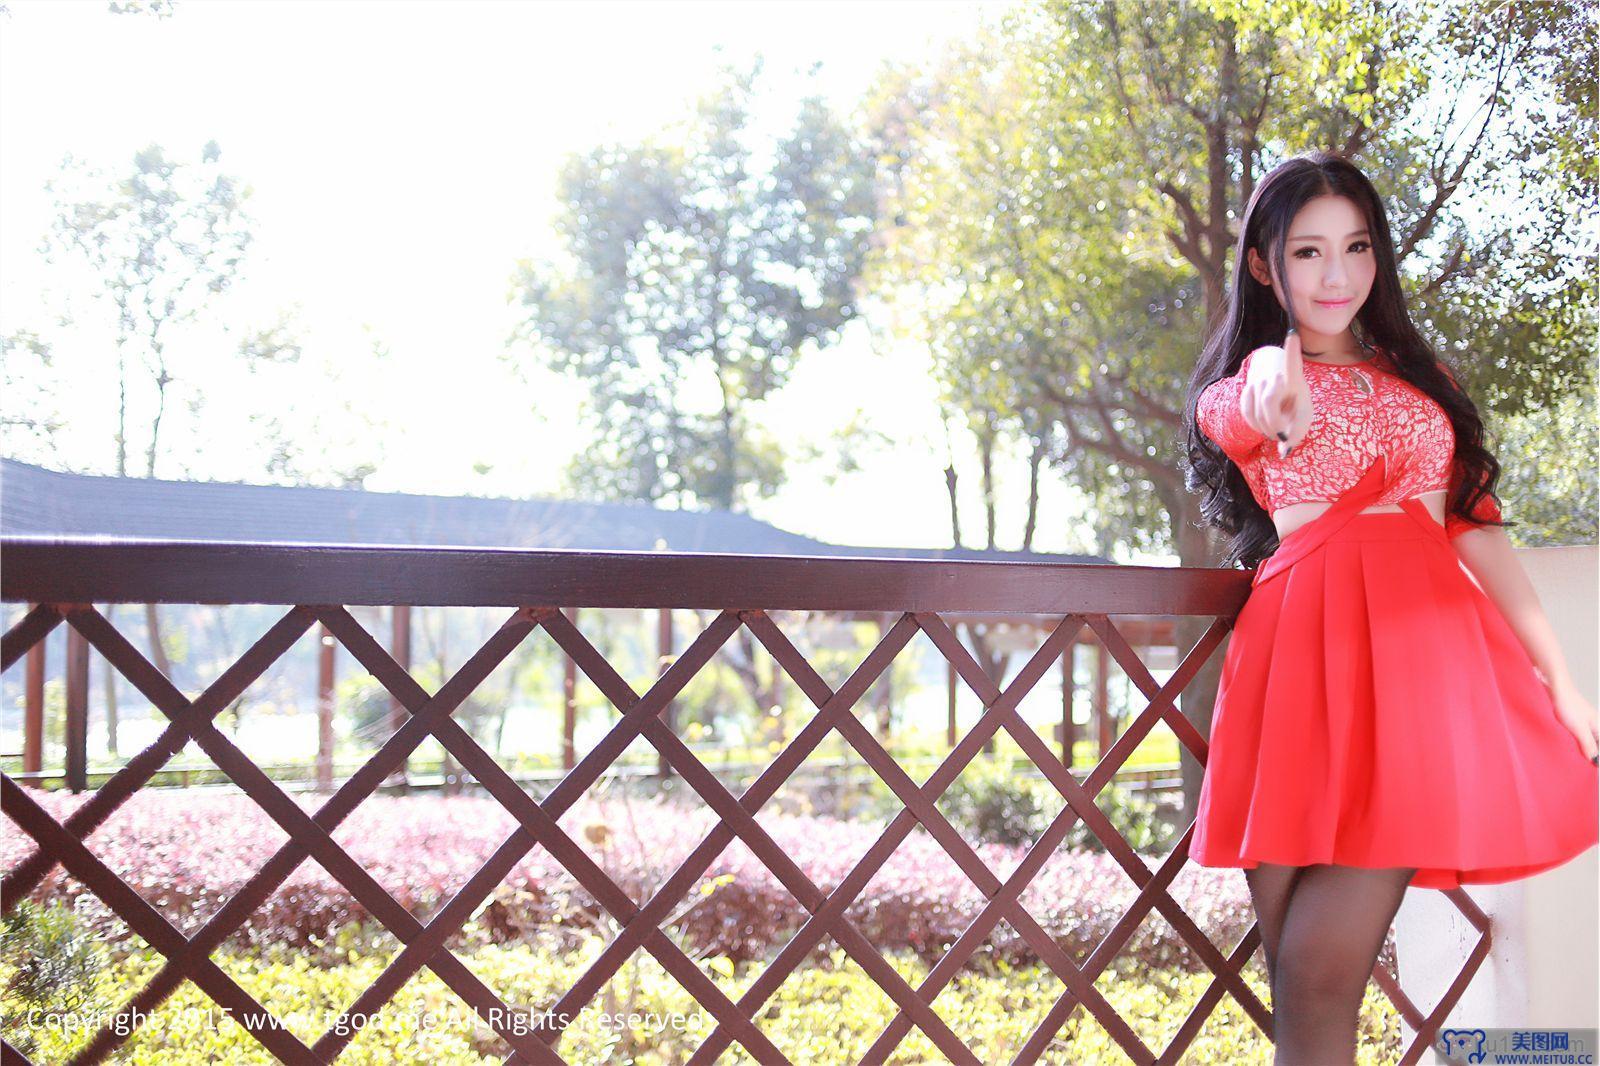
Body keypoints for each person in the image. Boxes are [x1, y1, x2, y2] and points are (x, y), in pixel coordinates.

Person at [1181, 149, 1599, 1065]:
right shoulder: (1243, 381)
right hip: (1295, 667)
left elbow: (1474, 526)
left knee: (1322, 968)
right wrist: (1272, 395)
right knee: (1302, 979)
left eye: (1358, 247)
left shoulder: (1419, 377)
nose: (1339, 276)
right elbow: (1251, 408)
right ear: (1263, 264)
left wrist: (1560, 679)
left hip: (1417, 672)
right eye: (1308, 253)